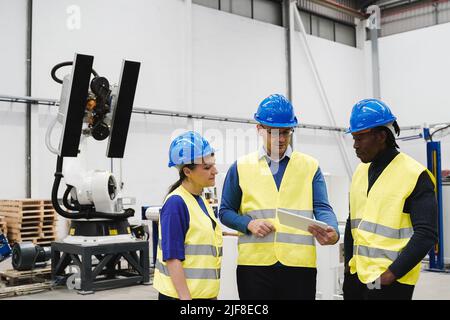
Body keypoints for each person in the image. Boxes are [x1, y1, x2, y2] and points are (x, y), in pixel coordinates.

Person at [219, 94, 339, 300]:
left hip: (299, 266)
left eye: (286, 132)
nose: (281, 139)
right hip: (254, 266)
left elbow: (322, 207)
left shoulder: (310, 166)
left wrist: (332, 229)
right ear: (259, 129)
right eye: (274, 133)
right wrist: (248, 223)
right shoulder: (240, 167)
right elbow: (225, 211)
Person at [343, 98, 438, 300]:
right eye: (353, 138)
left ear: (381, 136)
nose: (355, 145)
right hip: (357, 276)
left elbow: (426, 234)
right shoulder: (360, 171)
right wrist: (348, 267)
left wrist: (389, 275)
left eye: (360, 138)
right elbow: (352, 223)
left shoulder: (415, 175)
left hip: (390, 281)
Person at [153, 131, 223, 300]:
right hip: (182, 297)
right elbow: (172, 258)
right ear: (187, 171)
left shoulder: (200, 199)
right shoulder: (176, 204)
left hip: (202, 294)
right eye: (207, 167)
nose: (215, 171)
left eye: (213, 164)